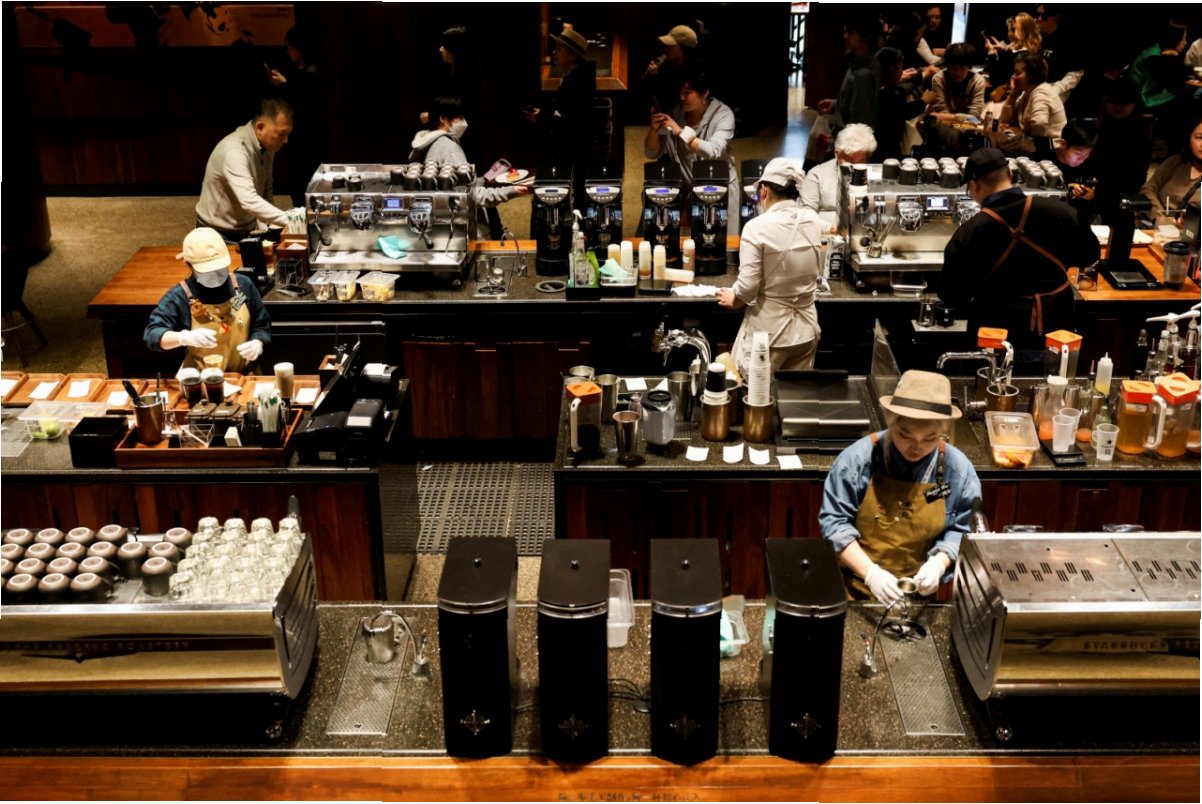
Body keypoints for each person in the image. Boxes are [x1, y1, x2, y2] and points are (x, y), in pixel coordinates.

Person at [819, 370, 981, 603]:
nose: (916, 447)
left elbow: (963, 529)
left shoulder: (958, 472)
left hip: (919, 596)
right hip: (855, 590)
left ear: (943, 431)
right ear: (890, 421)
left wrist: (939, 562)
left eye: (930, 438)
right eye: (905, 435)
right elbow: (834, 525)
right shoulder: (855, 462)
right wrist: (871, 574)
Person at [938, 148, 1099, 356]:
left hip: (996, 336)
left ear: (975, 185)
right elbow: (1089, 256)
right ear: (1011, 175)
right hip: (1056, 330)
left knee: (994, 376)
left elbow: (951, 295)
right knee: (1054, 375)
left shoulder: (971, 231)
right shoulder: (1062, 212)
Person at [717, 158, 824, 378]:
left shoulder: (756, 227)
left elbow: (748, 287)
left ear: (764, 191)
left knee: (756, 394)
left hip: (770, 335)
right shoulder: (813, 220)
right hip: (806, 330)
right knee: (794, 395)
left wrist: (734, 298)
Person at [144, 228, 271, 374]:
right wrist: (183, 337)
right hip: (201, 379)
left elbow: (262, 323)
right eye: (207, 271)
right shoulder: (179, 296)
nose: (216, 275)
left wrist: (257, 342)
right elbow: (152, 334)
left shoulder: (243, 284)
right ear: (188, 264)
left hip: (245, 375)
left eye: (220, 268)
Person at [409, 97, 531, 237]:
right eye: (459, 118)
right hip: (463, 229)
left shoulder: (429, 142)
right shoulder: (450, 150)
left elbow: (455, 185)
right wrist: (513, 190)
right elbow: (473, 196)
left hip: (442, 222)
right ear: (442, 118)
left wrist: (485, 179)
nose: (464, 122)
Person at [644, 70, 740, 233]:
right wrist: (653, 130)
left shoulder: (724, 115)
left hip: (720, 188)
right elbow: (651, 153)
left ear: (705, 93)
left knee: (723, 242)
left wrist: (680, 132)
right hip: (688, 191)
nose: (682, 97)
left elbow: (713, 151)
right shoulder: (677, 113)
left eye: (687, 93)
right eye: (680, 92)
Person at [195, 98, 293, 243]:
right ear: (260, 127)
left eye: (288, 134)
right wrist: (291, 220)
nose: (285, 140)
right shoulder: (234, 151)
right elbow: (249, 201)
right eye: (281, 133)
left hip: (247, 228)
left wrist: (270, 226)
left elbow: (266, 191)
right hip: (216, 233)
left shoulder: (267, 147)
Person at [525, 25, 596, 204]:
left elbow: (570, 120)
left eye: (560, 49)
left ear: (573, 56)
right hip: (573, 145)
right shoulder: (575, 74)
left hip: (574, 149)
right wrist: (545, 114)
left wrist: (542, 118)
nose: (554, 52)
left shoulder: (577, 81)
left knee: (572, 193)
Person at [265, 25, 324, 208]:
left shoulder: (314, 72)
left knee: (306, 177)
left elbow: (305, 101)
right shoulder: (299, 68)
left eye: (290, 47)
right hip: (296, 132)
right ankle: (299, 210)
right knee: (297, 177)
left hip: (308, 133)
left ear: (301, 47)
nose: (288, 51)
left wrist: (284, 85)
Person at [801, 123, 876, 232]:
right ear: (836, 154)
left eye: (860, 161)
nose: (854, 167)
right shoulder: (816, 175)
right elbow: (805, 215)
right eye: (849, 160)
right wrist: (831, 228)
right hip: (826, 235)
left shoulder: (875, 175)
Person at [817, 12, 882, 136]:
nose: (845, 36)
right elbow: (857, 103)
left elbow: (859, 121)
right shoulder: (861, 62)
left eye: (851, 32)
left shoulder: (864, 73)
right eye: (846, 31)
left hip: (848, 142)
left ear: (867, 36)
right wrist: (836, 104)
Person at [1000, 50, 1066, 153]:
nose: (1014, 77)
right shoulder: (1028, 92)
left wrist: (1031, 145)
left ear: (1032, 75)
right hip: (1038, 146)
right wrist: (1013, 94)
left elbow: (1039, 123)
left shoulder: (1041, 92)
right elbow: (1005, 120)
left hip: (1051, 151)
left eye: (1018, 73)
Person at [1140, 115, 1202, 219]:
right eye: (1200, 137)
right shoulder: (1175, 162)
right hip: (1156, 224)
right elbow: (1148, 190)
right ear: (1189, 139)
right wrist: (1160, 218)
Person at [874, 47, 928, 161]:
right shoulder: (888, 94)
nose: (902, 72)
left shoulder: (874, 85)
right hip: (887, 147)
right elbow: (905, 111)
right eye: (899, 68)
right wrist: (924, 101)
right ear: (892, 71)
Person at [645, 24, 702, 114]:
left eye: (670, 45)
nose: (666, 48)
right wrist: (653, 75)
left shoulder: (696, 73)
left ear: (683, 48)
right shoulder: (666, 66)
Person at [983, 12, 1041, 94]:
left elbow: (995, 78)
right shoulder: (1036, 52)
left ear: (1016, 33)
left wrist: (991, 53)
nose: (1008, 33)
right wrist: (1003, 49)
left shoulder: (1010, 56)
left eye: (1009, 30)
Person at [928, 43, 986, 118]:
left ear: (969, 66)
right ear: (947, 66)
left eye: (962, 68)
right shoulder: (939, 79)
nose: (958, 73)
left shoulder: (977, 81)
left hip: (969, 122)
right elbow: (941, 110)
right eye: (953, 68)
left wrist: (953, 118)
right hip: (944, 122)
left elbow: (974, 114)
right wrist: (956, 118)